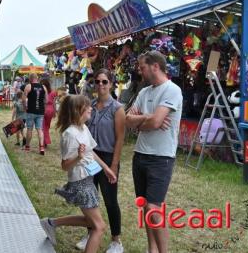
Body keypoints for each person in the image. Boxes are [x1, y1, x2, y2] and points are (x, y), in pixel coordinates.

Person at [40, 95, 117, 253]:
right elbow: (65, 165)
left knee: (90, 222)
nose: (91, 108)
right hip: (81, 183)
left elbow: (91, 152)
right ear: (77, 110)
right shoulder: (70, 134)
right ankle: (50, 223)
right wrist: (78, 157)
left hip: (88, 180)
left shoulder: (83, 128)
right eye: (87, 106)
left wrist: (106, 169)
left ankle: (51, 223)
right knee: (99, 227)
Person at [125, 51, 183, 253]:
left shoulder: (172, 90)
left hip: (161, 158)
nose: (140, 72)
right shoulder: (144, 92)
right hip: (140, 154)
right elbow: (127, 120)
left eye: (142, 68)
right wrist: (146, 118)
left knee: (154, 208)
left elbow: (158, 122)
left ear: (155, 66)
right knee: (144, 206)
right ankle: (152, 250)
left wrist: (141, 120)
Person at [76, 69, 126, 252]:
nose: (100, 85)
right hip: (90, 156)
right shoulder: (90, 105)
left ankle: (116, 240)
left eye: (104, 82)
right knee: (90, 197)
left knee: (110, 199)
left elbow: (120, 138)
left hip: (107, 156)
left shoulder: (118, 108)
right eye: (97, 81)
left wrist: (113, 165)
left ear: (111, 84)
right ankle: (91, 232)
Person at [23, 73, 47, 154]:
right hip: (40, 111)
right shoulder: (43, 87)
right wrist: (43, 107)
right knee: (39, 129)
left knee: (29, 129)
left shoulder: (29, 86)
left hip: (31, 110)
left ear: (30, 78)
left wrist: (24, 107)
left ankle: (27, 147)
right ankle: (41, 147)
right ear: (37, 78)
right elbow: (46, 100)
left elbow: (23, 99)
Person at [40, 78, 56, 149]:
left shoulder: (41, 91)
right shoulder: (53, 92)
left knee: (43, 127)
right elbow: (54, 103)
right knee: (47, 126)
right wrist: (55, 112)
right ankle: (45, 141)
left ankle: (44, 142)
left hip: (43, 109)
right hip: (51, 110)